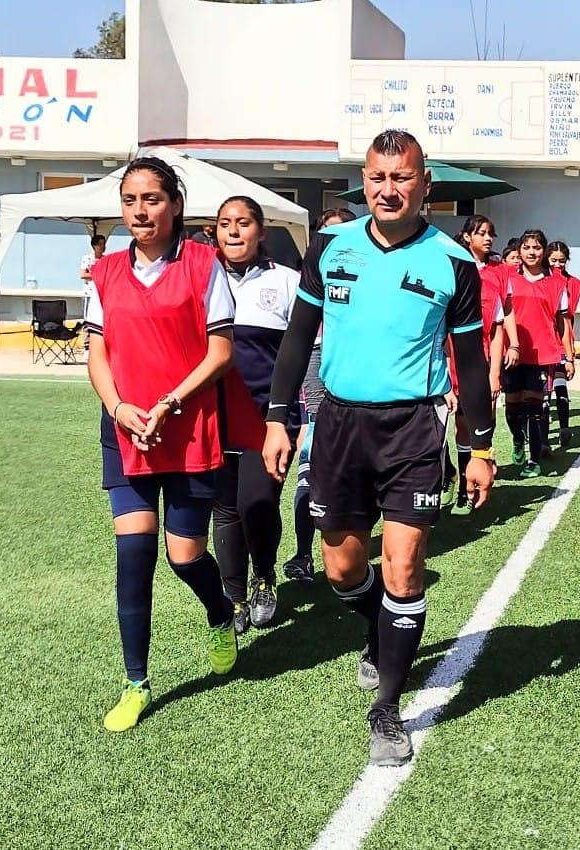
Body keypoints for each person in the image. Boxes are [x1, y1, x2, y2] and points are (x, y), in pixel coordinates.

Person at [261, 130, 496, 766]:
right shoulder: (331, 247)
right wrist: (279, 419)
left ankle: (388, 707)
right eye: (377, 177)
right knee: (341, 569)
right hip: (336, 424)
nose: (388, 190)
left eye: (402, 177)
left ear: (425, 185)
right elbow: (296, 340)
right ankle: (378, 625)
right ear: (363, 182)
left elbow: (471, 365)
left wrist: (479, 446)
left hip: (414, 428)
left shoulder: (454, 262)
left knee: (406, 565)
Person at [83, 156, 260, 733]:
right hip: (126, 433)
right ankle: (136, 682)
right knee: (133, 557)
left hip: (187, 432)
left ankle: (219, 613)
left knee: (184, 557)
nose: (140, 210)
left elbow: (221, 352)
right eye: (131, 200)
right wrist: (120, 409)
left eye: (152, 199)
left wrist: (167, 404)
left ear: (176, 204)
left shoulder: (206, 265)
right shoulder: (104, 273)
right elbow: (98, 354)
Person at [213, 196, 301, 634]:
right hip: (210, 418)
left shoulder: (286, 281)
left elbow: (302, 352)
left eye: (243, 223)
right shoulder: (200, 279)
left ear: (260, 231)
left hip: (266, 418)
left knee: (258, 501)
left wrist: (294, 418)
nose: (233, 231)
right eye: (225, 223)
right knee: (225, 508)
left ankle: (264, 575)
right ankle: (232, 599)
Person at [284, 206, 358, 583]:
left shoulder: (372, 273)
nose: (337, 240)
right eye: (329, 232)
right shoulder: (304, 277)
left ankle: (346, 540)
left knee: (348, 466)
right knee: (311, 456)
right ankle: (302, 553)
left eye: (346, 232)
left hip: (359, 371)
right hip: (318, 360)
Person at [448, 214, 520, 508]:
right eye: (481, 233)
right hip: (449, 358)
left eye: (491, 233)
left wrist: (499, 365)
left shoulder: (497, 275)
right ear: (467, 237)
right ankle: (448, 473)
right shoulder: (451, 266)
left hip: (479, 361)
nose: (488, 238)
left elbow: (501, 322)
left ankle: (472, 478)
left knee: (477, 422)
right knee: (449, 425)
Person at [503, 229, 573, 478]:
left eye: (536, 247)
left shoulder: (557, 283)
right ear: (519, 251)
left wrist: (569, 355)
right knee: (512, 408)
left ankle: (533, 460)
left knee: (537, 409)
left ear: (543, 251)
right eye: (527, 247)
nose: (532, 252)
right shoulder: (508, 278)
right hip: (512, 354)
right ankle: (518, 439)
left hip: (543, 355)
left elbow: (563, 322)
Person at [546, 239, 580, 447]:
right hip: (540, 341)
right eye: (553, 260)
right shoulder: (540, 280)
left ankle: (564, 427)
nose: (558, 265)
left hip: (560, 340)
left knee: (560, 384)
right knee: (540, 390)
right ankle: (533, 435)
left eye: (562, 261)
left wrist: (570, 354)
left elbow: (566, 319)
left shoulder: (574, 284)